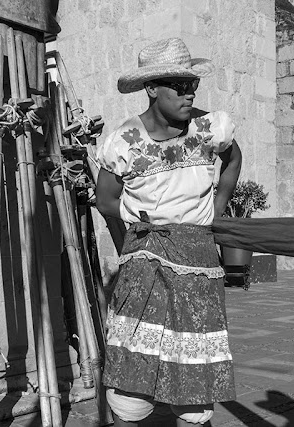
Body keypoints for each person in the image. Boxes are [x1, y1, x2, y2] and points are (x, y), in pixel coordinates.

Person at [95, 38, 243, 426]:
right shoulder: (124, 141)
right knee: (130, 395)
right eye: (178, 85)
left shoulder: (210, 129)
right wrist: (130, 244)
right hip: (144, 263)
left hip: (197, 263)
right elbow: (107, 200)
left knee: (194, 398)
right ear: (151, 89)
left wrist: (218, 206)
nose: (189, 92)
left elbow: (233, 158)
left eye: (192, 84)